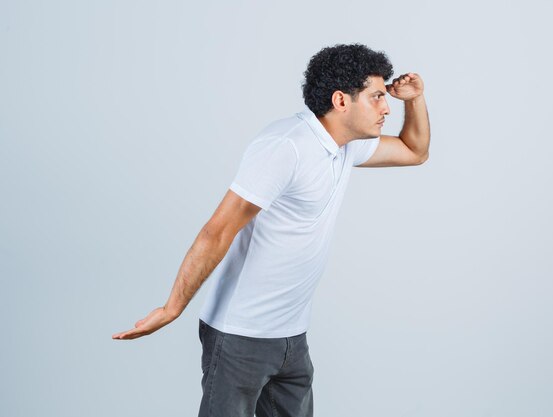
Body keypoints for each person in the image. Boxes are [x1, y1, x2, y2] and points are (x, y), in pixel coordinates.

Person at [112, 43, 431, 417]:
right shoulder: (287, 146)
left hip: (292, 338)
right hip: (240, 336)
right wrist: (172, 308)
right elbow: (218, 230)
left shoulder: (345, 147)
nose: (386, 107)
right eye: (377, 97)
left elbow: (415, 151)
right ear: (341, 101)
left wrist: (417, 100)